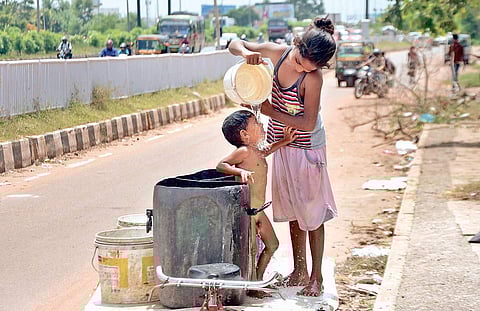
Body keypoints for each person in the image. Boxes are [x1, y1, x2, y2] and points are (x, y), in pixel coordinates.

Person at [228, 17, 338, 297]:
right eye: (300, 61)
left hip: (306, 149)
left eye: (307, 67)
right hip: (282, 144)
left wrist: (267, 111)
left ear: (319, 67)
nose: (300, 67)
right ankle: (298, 269)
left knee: (312, 214)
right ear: (296, 45)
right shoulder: (278, 54)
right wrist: (246, 53)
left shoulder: (312, 79)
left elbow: (308, 122)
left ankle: (316, 277)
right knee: (292, 210)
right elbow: (234, 43)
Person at [217, 110, 297, 281]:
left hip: (259, 209)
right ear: (244, 135)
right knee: (251, 250)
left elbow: (267, 151)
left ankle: (257, 279)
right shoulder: (243, 151)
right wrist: (239, 170)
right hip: (247, 211)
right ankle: (250, 283)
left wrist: (285, 141)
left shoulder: (256, 150)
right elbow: (221, 165)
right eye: (257, 123)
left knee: (273, 244)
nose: (261, 125)